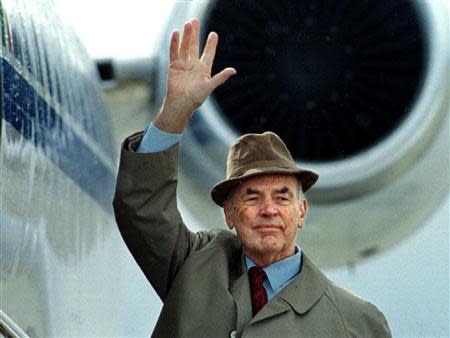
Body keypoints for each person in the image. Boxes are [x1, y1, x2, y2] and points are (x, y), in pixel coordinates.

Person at [113, 18, 391, 338]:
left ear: (301, 211)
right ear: (229, 213)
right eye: (252, 197)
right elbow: (141, 208)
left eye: (283, 196)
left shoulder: (358, 324)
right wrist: (174, 112)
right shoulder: (193, 266)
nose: (269, 209)